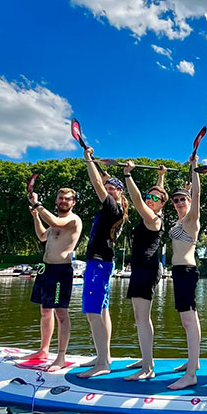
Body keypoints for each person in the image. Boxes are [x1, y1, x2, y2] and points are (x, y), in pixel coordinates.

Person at [77, 146, 128, 378]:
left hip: (98, 263)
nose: (108, 190)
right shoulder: (113, 208)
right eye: (108, 188)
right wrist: (100, 163)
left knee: (92, 312)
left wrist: (88, 159)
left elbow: (98, 183)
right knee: (102, 310)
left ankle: (103, 363)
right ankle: (103, 357)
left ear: (120, 193)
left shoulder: (112, 207)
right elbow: (104, 179)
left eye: (112, 189)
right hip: (103, 262)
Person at [25, 187, 83, 371]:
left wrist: (37, 204)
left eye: (67, 199)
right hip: (46, 269)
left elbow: (57, 223)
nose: (63, 201)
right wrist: (35, 216)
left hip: (61, 271)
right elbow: (42, 236)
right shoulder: (53, 222)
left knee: (61, 314)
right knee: (44, 311)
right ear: (56, 200)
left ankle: (61, 356)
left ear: (73, 202)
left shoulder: (72, 220)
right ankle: (43, 350)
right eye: (61, 198)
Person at [121, 160, 168, 381]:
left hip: (147, 270)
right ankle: (146, 357)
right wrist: (161, 176)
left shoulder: (153, 218)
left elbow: (139, 201)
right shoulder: (154, 210)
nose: (150, 199)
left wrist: (128, 176)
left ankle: (148, 367)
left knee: (142, 318)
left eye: (155, 199)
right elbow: (155, 195)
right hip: (141, 269)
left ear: (161, 205)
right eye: (149, 196)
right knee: (139, 317)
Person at [167, 155, 203, 390]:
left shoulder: (191, 219)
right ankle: (194, 362)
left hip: (186, 270)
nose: (179, 202)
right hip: (179, 272)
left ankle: (190, 375)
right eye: (176, 200)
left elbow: (197, 196)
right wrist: (186, 189)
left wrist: (194, 168)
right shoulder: (179, 221)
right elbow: (188, 196)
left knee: (188, 321)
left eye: (183, 199)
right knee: (188, 319)